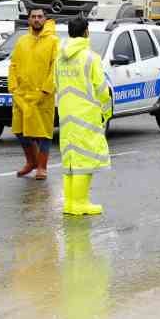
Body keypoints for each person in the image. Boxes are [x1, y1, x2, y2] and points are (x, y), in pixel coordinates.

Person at [55, 15, 114, 215]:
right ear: (86, 32)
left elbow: (56, 84)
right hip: (86, 114)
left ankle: (70, 203)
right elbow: (102, 90)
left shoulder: (59, 57)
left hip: (65, 113)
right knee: (86, 158)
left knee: (70, 157)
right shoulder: (91, 57)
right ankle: (80, 203)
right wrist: (106, 111)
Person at [8, 7, 59, 180]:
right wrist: (13, 88)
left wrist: (46, 89)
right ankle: (31, 162)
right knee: (20, 130)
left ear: (45, 19)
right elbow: (13, 65)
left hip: (43, 96)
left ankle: (42, 167)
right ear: (29, 19)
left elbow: (55, 67)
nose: (36, 19)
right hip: (22, 95)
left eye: (40, 16)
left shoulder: (53, 41)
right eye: (33, 16)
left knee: (43, 132)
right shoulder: (22, 41)